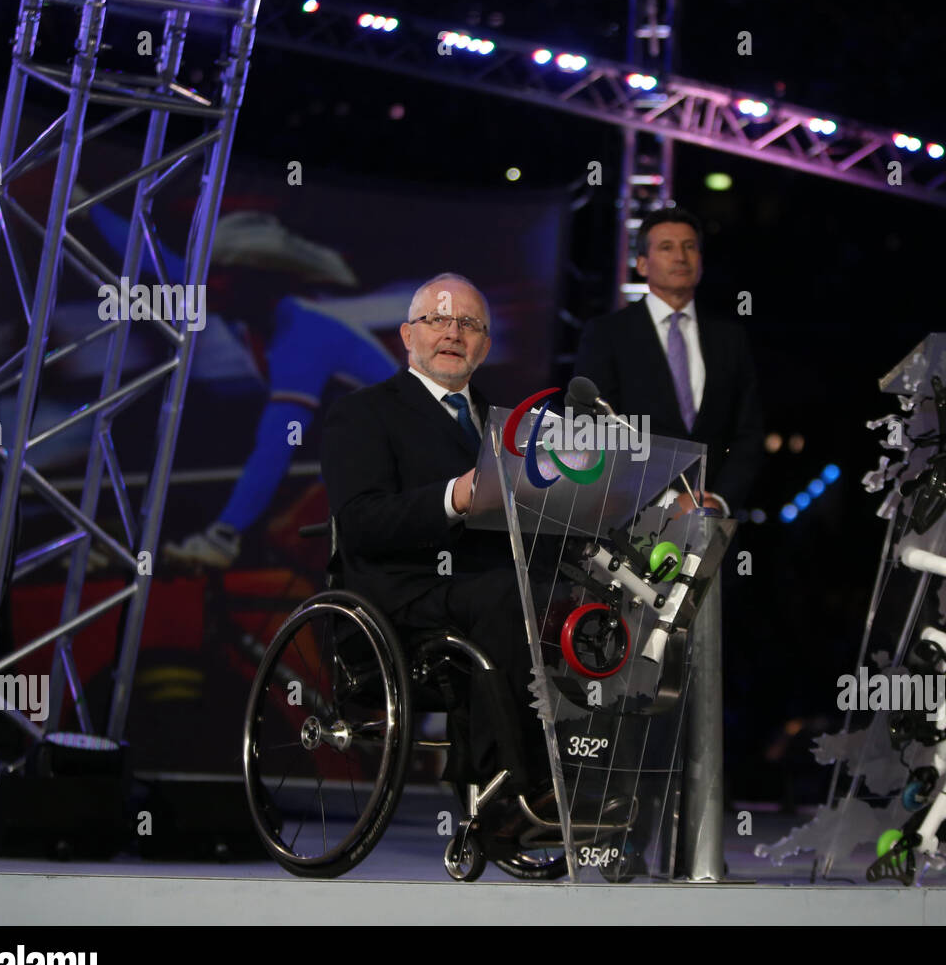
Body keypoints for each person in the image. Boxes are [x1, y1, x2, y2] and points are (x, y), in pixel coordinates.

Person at [320, 273, 550, 815]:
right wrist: (455, 497)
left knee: (580, 599)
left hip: (488, 591)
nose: (453, 332)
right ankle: (504, 795)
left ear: (485, 345)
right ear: (406, 335)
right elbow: (360, 523)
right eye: (437, 320)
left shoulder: (511, 431)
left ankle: (595, 782)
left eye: (468, 324)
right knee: (510, 600)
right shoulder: (364, 412)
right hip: (400, 601)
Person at [572, 207, 764, 515]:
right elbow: (594, 429)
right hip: (632, 521)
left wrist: (720, 500)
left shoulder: (731, 338)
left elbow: (749, 432)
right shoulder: (607, 334)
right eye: (667, 247)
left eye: (690, 247)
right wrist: (668, 501)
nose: (680, 257)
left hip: (713, 522)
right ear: (642, 264)